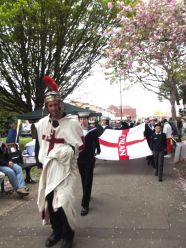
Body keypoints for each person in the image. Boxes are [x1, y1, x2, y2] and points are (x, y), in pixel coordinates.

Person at [36, 75, 84, 248]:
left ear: (61, 105)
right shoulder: (42, 123)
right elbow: (39, 145)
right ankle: (56, 231)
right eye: (50, 105)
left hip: (66, 170)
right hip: (49, 169)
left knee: (64, 201)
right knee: (50, 201)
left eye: (56, 104)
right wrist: (41, 162)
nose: (53, 108)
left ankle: (68, 235)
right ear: (46, 107)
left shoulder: (72, 124)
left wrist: (67, 151)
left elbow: (80, 146)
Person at [78, 112, 101, 216]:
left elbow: (96, 141)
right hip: (79, 158)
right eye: (81, 119)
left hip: (89, 158)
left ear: (88, 119)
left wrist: (98, 149)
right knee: (83, 178)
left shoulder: (93, 130)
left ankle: (85, 205)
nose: (82, 121)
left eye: (84, 119)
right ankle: (86, 194)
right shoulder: (76, 130)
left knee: (88, 179)